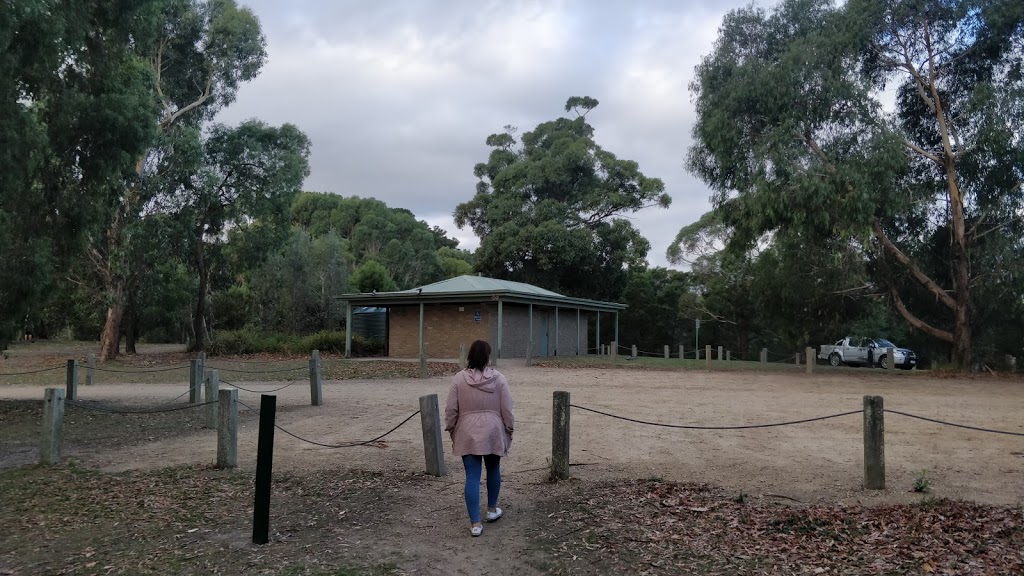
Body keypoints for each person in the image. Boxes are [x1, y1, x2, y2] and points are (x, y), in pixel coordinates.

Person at [444, 340, 514, 537]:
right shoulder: (499, 379)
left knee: (472, 476)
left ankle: (475, 523)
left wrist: (451, 428)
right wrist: (509, 428)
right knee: (493, 469)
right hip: (493, 430)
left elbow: (451, 409)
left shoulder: (458, 379)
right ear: (488, 357)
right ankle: (492, 510)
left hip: (467, 431)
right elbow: (507, 408)